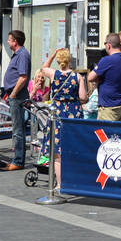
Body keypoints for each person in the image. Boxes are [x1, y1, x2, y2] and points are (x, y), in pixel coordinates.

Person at [38, 47, 86, 186]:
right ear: (69, 60)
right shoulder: (77, 76)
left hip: (57, 112)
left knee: (57, 152)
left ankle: (60, 184)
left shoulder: (54, 74)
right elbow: (83, 97)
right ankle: (73, 181)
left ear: (59, 61)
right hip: (73, 112)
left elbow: (44, 67)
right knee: (73, 146)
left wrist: (53, 54)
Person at [0, 30, 31, 171]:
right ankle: (17, 159)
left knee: (18, 130)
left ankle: (18, 161)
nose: (7, 42)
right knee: (17, 129)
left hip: (18, 96)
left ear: (15, 42)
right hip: (14, 95)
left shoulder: (22, 55)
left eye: (9, 39)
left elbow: (23, 77)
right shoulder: (17, 54)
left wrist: (13, 94)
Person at [87, 34, 121, 122]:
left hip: (110, 107)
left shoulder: (106, 60)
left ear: (108, 45)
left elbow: (90, 77)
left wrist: (98, 77)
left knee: (105, 134)